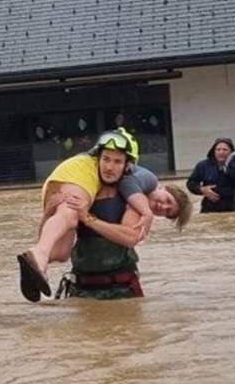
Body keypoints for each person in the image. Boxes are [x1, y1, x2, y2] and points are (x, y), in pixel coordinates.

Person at [18, 129, 190, 302]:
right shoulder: (88, 186)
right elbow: (58, 250)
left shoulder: (136, 201)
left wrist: (89, 219)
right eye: (107, 159)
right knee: (61, 236)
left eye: (167, 212)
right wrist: (47, 214)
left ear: (126, 166)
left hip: (121, 289)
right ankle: (40, 263)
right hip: (82, 287)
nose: (162, 207)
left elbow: (130, 236)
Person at [186, 137, 235, 212]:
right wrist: (202, 190)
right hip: (209, 210)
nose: (221, 152)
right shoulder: (203, 165)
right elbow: (191, 183)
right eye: (218, 150)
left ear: (231, 152)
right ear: (213, 151)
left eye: (225, 150)